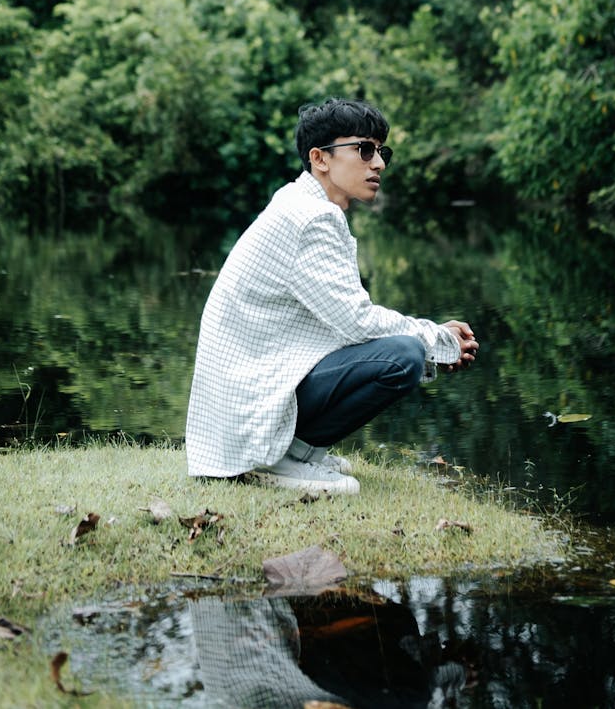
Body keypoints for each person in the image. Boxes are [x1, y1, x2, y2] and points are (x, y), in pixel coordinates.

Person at [185, 97, 478, 494]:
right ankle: (280, 460)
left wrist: (431, 338)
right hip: (249, 406)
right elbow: (356, 322)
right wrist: (435, 338)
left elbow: (343, 321)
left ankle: (297, 450)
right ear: (320, 158)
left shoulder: (301, 202)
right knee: (403, 356)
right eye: (364, 150)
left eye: (381, 151)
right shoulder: (311, 217)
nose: (379, 164)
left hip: (249, 393)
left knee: (400, 349)